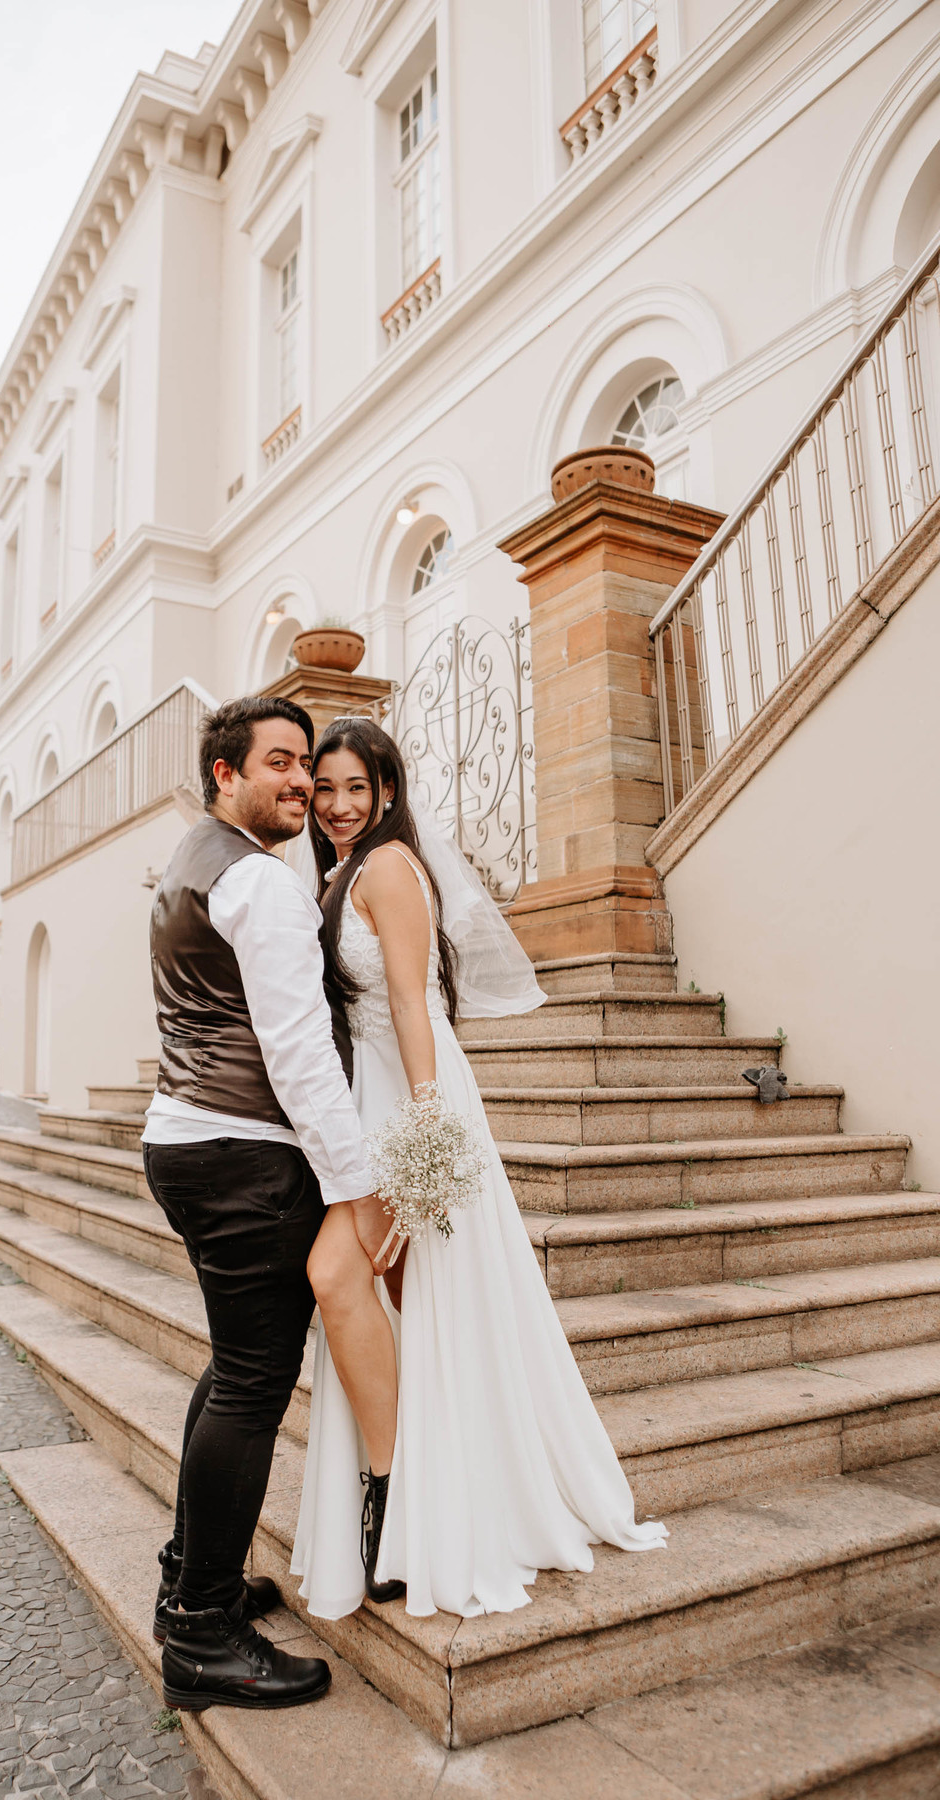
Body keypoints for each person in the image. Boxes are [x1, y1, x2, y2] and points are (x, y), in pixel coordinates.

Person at [291, 716, 668, 1621]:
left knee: (348, 1277)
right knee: (404, 1298)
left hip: (413, 1099)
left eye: (357, 788)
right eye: (326, 788)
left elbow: (412, 1005)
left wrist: (426, 1129)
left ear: (387, 791)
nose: (339, 805)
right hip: (371, 1097)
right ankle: (411, 1491)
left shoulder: (388, 866)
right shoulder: (339, 873)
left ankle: (402, 1497)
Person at [141, 695, 393, 1711]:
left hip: (188, 1140)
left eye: (305, 765)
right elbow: (297, 1054)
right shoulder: (263, 884)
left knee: (231, 1371)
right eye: (279, 763)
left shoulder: (192, 863)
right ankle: (203, 1635)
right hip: (243, 1154)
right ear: (226, 774)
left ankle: (188, 1578)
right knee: (252, 1384)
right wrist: (358, 1185)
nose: (299, 781)